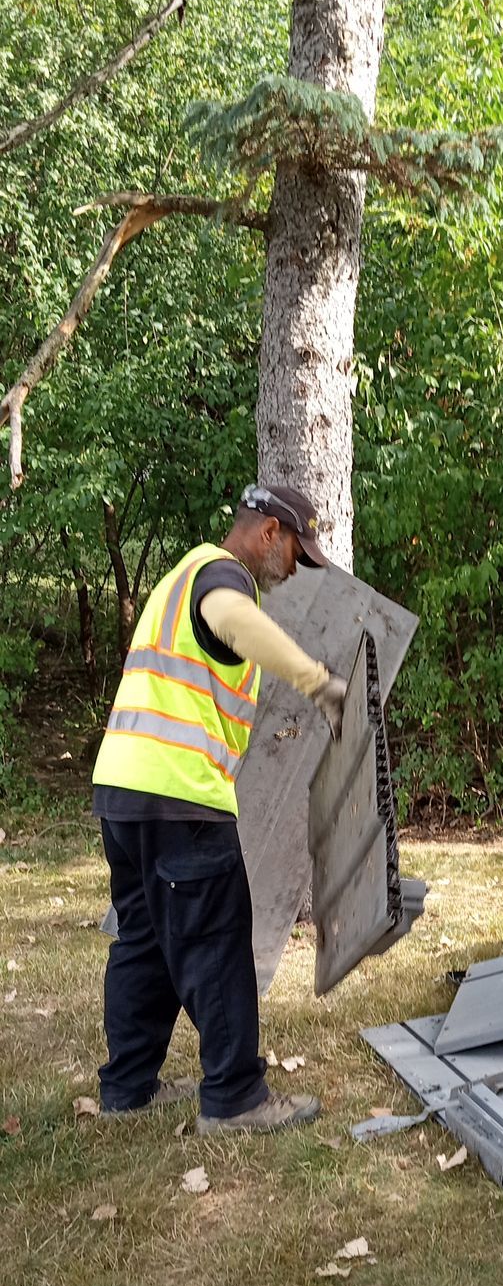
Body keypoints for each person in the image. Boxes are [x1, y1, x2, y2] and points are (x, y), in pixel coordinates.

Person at [91, 483, 346, 1133]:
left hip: (123, 788)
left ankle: (127, 1088)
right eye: (295, 553)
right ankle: (235, 1099)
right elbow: (232, 617)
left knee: (144, 943)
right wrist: (317, 682)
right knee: (215, 943)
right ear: (268, 533)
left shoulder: (179, 574)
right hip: (180, 794)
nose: (293, 568)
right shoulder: (221, 576)